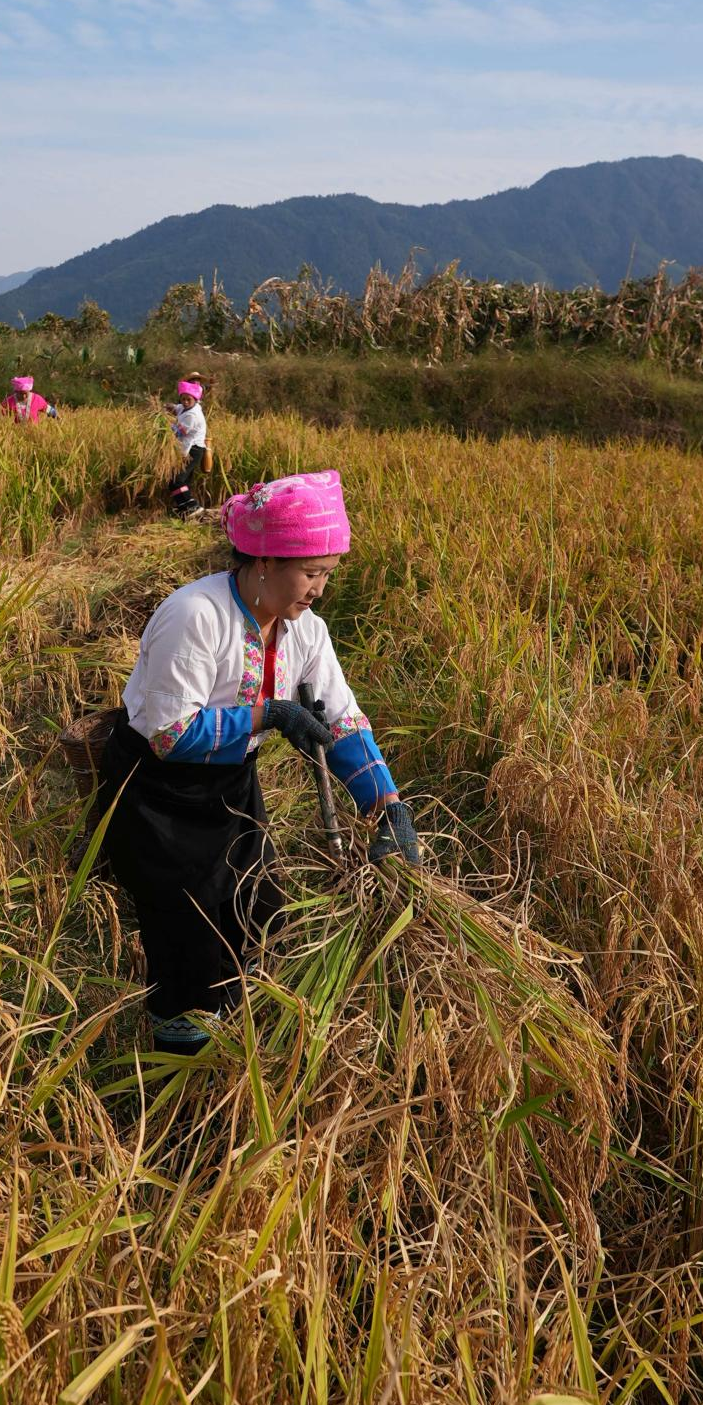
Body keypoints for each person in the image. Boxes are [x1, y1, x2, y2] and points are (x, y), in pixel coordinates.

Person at [97, 469, 420, 1054]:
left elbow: (342, 720)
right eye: (311, 573)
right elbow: (170, 734)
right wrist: (268, 716)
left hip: (229, 787)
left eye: (326, 574)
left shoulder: (306, 631)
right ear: (266, 560)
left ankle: (239, 1024)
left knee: (257, 906)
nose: (318, 589)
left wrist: (387, 804)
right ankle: (179, 1062)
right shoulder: (196, 615)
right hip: (157, 794)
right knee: (187, 929)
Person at [165, 378, 207, 516]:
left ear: (195, 399)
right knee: (180, 480)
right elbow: (177, 408)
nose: (185, 402)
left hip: (193, 450)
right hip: (186, 448)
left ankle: (193, 506)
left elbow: (178, 431)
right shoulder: (185, 407)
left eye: (188, 399)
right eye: (182, 399)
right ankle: (184, 508)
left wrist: (163, 425)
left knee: (177, 480)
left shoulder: (193, 415)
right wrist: (167, 407)